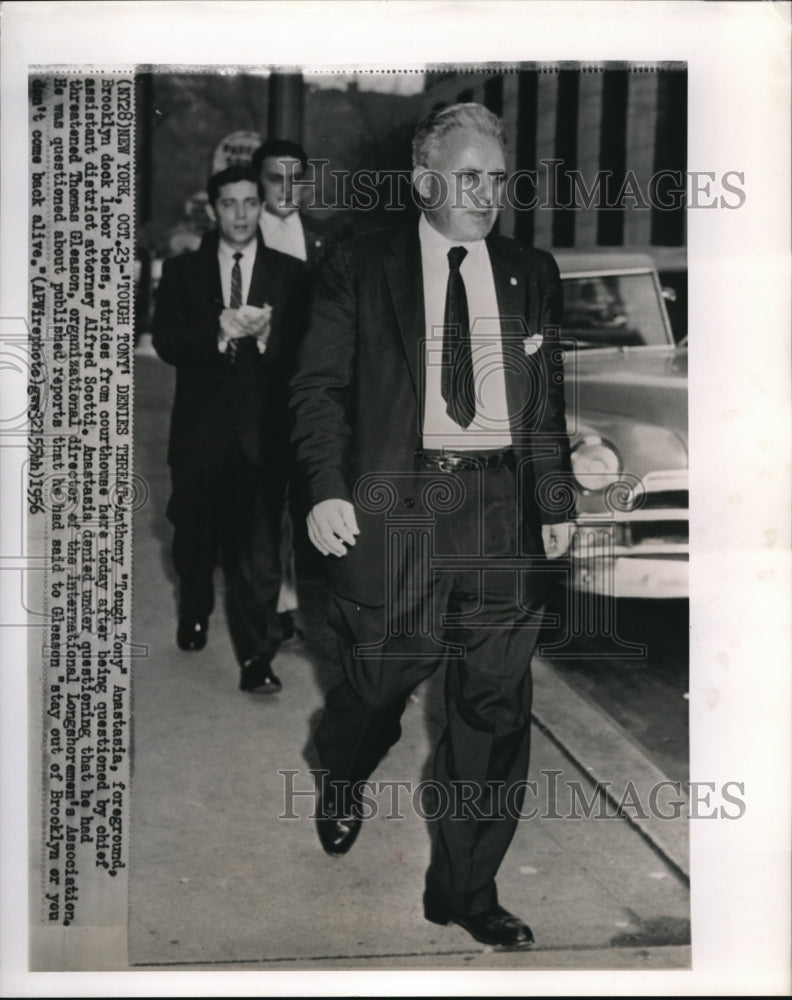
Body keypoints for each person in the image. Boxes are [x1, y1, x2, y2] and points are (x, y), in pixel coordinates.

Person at [290, 103, 575, 949]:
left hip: (499, 513)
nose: (489, 193)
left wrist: (554, 501)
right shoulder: (360, 265)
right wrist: (326, 489)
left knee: (493, 709)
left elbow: (547, 399)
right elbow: (316, 391)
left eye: (498, 177)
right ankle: (343, 771)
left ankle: (466, 889)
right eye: (470, 176)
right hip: (398, 507)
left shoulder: (531, 269)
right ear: (424, 182)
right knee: (377, 687)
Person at [153, 164, 307, 694]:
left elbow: (305, 353)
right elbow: (169, 342)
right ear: (213, 210)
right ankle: (194, 606)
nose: (240, 214)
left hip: (261, 436)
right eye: (229, 204)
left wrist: (265, 342)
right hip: (199, 435)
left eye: (249, 203)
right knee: (194, 541)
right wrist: (217, 330)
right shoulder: (182, 274)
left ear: (260, 206)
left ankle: (256, 658)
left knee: (258, 554)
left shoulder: (290, 274)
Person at [251, 138, 351, 641]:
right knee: (267, 507)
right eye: (275, 178)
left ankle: (299, 600)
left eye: (296, 179)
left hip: (311, 391)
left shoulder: (322, 240)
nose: (286, 189)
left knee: (310, 495)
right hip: (259, 396)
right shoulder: (243, 239)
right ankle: (278, 607)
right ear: (258, 182)